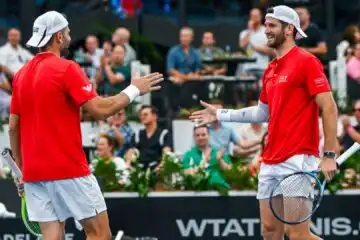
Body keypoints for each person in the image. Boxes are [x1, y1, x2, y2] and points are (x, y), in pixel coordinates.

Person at [8, 11, 162, 240]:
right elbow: (100, 109)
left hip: (33, 173)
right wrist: (134, 89)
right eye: (68, 32)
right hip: (68, 168)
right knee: (99, 233)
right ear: (59, 37)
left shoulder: (20, 75)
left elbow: (13, 127)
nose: (70, 35)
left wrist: (20, 169)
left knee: (52, 236)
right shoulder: (67, 68)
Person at [190, 5, 338, 240]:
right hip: (270, 159)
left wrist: (329, 154)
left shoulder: (307, 62)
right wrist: (220, 114)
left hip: (298, 157)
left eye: (272, 25)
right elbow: (261, 113)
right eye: (266, 25)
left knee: (298, 235)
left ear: (289, 29)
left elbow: (329, 107)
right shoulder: (270, 69)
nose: (266, 30)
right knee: (269, 232)